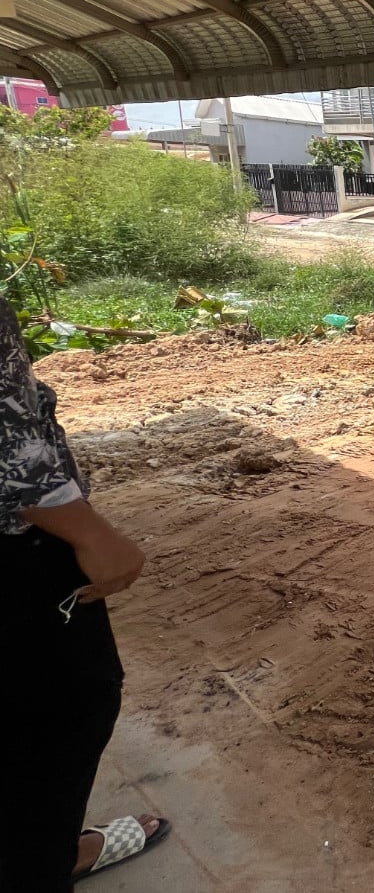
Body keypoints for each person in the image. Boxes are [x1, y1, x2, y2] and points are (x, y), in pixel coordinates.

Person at [0, 298, 169, 889]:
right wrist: (91, 534)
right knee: (62, 710)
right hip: (16, 546)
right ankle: (41, 859)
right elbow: (8, 452)